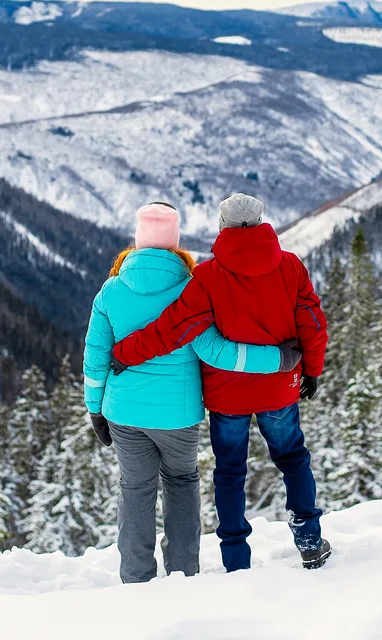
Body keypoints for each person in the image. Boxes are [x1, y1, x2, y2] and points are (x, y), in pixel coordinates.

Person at [83, 201, 301, 585]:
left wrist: (95, 409)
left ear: (137, 241)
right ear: (176, 241)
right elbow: (215, 351)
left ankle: (135, 579)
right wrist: (278, 359)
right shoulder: (191, 288)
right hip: (178, 415)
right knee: (181, 484)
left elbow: (95, 358)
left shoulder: (111, 291)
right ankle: (183, 575)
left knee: (135, 490)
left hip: (124, 412)